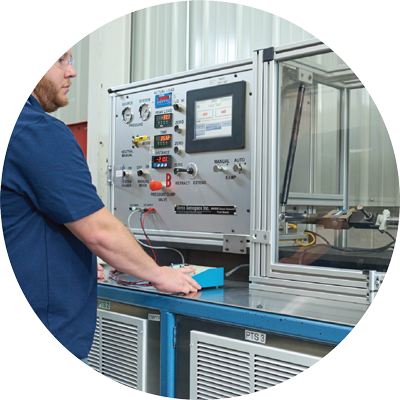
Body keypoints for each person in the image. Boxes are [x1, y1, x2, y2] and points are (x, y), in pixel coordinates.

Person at [0, 48, 201, 365]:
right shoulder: (38, 131)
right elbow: (99, 232)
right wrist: (159, 274)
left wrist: (72, 261)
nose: (71, 71)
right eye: (60, 59)